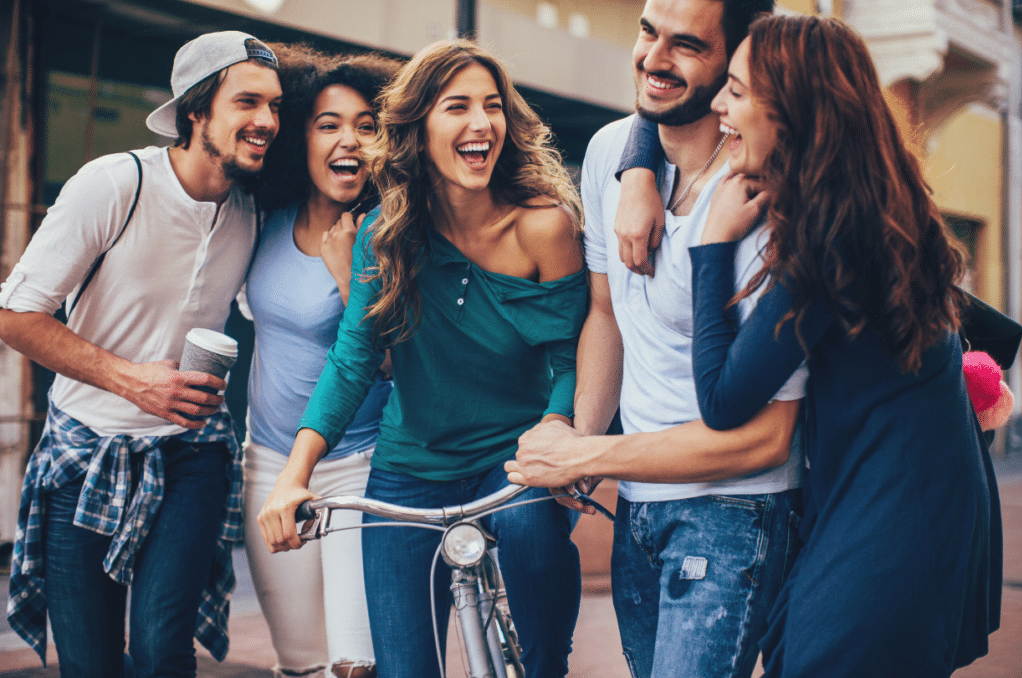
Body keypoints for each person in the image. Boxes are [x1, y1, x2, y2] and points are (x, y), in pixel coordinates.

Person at [257, 39, 586, 678]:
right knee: (404, 667)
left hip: (514, 458)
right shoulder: (384, 235)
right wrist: (294, 475)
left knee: (535, 556)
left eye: (492, 107)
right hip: (409, 467)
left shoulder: (544, 226)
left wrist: (557, 426)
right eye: (457, 106)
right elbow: (353, 360)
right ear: (417, 130)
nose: (480, 123)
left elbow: (573, 356)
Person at [685, 15, 999, 675]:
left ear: (791, 109)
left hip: (891, 523)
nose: (719, 105)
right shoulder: (871, 205)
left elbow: (722, 399)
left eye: (736, 92)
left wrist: (710, 246)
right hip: (911, 500)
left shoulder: (829, 242)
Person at [505, 1, 811, 677]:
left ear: (737, 62)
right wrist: (579, 444)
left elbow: (768, 437)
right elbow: (606, 313)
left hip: (737, 509)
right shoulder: (615, 152)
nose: (652, 57)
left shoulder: (769, 197)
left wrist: (592, 452)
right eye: (648, 32)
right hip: (640, 506)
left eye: (687, 46)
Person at [0, 31, 280, 678]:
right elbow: (15, 316)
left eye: (274, 106)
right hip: (82, 453)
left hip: (191, 456)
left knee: (160, 651)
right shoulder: (113, 185)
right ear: (195, 113)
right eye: (247, 102)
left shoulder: (252, 211)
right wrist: (131, 382)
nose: (266, 120)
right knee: (90, 664)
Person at [241, 45, 399, 678]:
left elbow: (398, 364)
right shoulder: (265, 221)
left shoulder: (393, 232)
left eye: (367, 126)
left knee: (354, 663)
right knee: (300, 662)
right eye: (329, 124)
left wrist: (345, 277)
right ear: (301, 137)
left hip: (359, 468)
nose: (350, 141)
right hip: (268, 463)